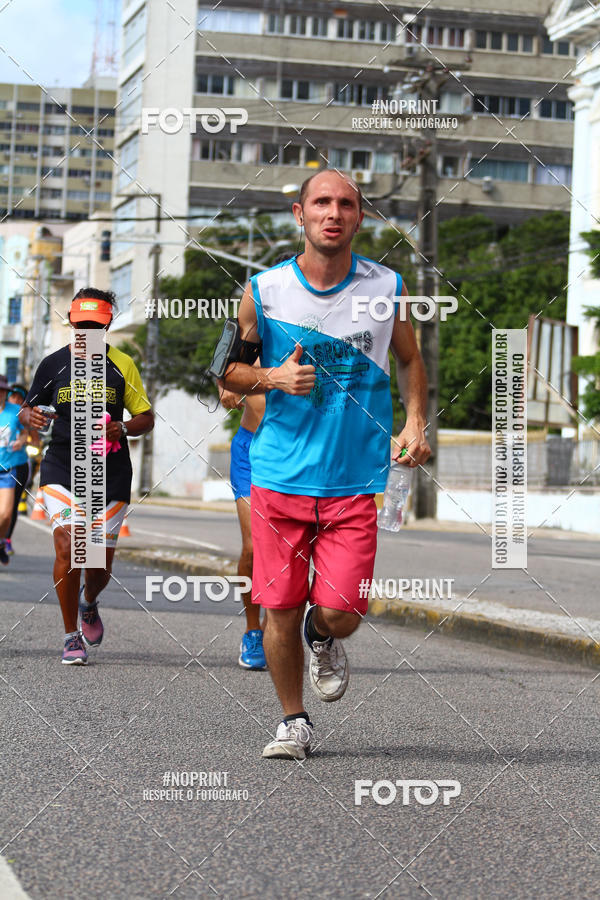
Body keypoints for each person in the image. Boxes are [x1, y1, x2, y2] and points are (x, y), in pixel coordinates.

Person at [221, 169, 431, 760]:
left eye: (345, 204)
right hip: (280, 476)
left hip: (355, 479)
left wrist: (415, 421)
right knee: (278, 607)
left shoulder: (387, 285)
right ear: (299, 213)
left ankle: (324, 637)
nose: (332, 213)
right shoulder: (262, 291)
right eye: (321, 202)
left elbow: (411, 362)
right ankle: (293, 721)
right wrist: (272, 377)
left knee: (342, 612)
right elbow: (227, 375)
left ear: (359, 217)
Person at [19, 288, 155, 665]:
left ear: (108, 323)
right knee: (68, 544)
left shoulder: (122, 365)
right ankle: (70, 636)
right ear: (71, 321)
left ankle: (89, 602)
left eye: (95, 326)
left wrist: (124, 428)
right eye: (81, 326)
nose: (87, 333)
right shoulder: (53, 364)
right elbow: (26, 410)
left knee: (98, 563)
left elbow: (146, 417)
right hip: (62, 464)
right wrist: (30, 417)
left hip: (109, 471)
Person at [219, 387, 267, 669]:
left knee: (286, 549)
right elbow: (225, 361)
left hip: (297, 453)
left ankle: (275, 627)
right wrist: (223, 386)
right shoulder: (258, 340)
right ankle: (253, 631)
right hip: (250, 449)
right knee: (253, 546)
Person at [5, 383, 36, 555]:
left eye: (19, 397)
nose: (15, 400)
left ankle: (6, 539)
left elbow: (35, 439)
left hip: (18, 465)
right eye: (13, 396)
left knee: (11, 506)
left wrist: (24, 441)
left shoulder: (23, 415)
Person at [0, 374, 25, 566]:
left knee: (6, 514)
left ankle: (1, 542)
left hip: (8, 468)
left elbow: (27, 431)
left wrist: (22, 440)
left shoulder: (16, 411)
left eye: (2, 391)